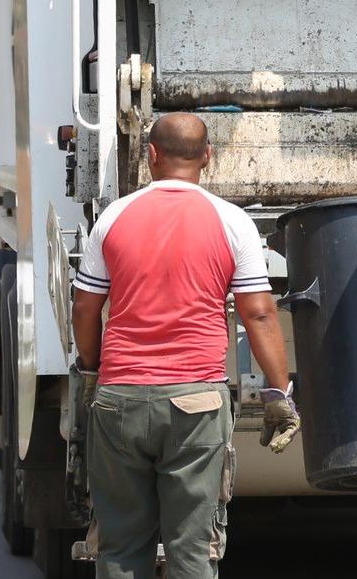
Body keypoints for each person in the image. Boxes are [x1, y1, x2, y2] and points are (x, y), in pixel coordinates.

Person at [71, 113, 301, 579]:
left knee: (118, 548)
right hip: (196, 404)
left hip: (120, 401)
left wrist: (94, 372)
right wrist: (279, 392)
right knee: (192, 549)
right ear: (208, 157)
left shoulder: (113, 217)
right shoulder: (232, 222)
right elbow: (258, 313)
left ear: (151, 155)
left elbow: (84, 308)